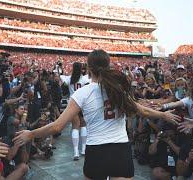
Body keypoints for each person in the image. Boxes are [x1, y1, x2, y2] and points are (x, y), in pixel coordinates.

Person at [13, 49, 181, 179]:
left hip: (97, 150)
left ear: (89, 68)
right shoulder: (118, 89)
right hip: (120, 149)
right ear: (108, 66)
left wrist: (31, 133)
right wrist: (163, 115)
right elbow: (141, 110)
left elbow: (58, 126)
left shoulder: (83, 93)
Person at [60, 62, 89, 160]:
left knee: (75, 127)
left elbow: (61, 77)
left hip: (73, 103)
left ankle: (76, 152)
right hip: (83, 103)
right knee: (83, 125)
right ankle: (84, 149)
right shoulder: (84, 79)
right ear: (81, 69)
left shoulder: (69, 79)